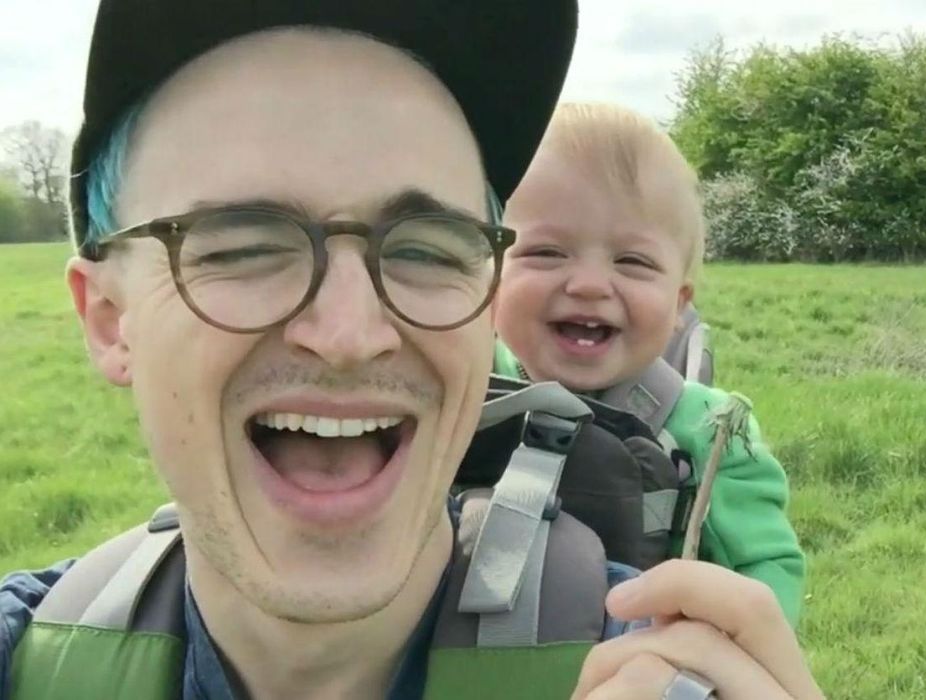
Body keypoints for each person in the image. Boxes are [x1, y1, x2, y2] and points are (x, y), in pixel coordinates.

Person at [0, 1, 824, 699]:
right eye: (243, 245)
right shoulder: (23, 658)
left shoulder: (646, 670)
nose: (351, 335)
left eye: (426, 248)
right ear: (111, 319)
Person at [492, 103, 806, 626]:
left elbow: (765, 570)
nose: (589, 284)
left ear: (678, 303)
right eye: (546, 252)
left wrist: (720, 659)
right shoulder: (464, 396)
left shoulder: (711, 433)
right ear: (491, 276)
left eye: (632, 261)